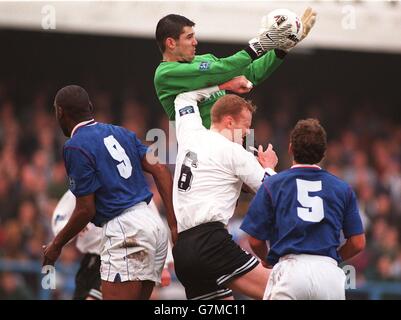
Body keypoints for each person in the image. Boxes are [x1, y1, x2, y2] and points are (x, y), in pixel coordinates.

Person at [43, 85, 177, 300]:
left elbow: (86, 209)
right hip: (154, 227)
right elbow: (161, 170)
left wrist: (55, 246)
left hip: (124, 231)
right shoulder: (122, 133)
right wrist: (172, 224)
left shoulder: (75, 146)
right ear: (90, 107)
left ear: (60, 112)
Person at [171, 76, 278, 300]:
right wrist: (269, 167)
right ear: (229, 122)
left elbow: (184, 97)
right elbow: (273, 191)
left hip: (183, 250)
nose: (248, 133)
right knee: (284, 293)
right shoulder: (233, 151)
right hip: (211, 242)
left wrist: (225, 86)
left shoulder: (189, 133)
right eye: (246, 126)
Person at [240, 118, 366, 300]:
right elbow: (358, 243)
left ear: (290, 148)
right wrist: (333, 258)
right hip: (328, 275)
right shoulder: (342, 188)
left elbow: (255, 240)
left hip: (290, 270)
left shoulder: (273, 185)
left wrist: (267, 258)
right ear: (324, 153)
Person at [154, 9, 317, 128]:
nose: (195, 42)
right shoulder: (165, 75)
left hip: (228, 144)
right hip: (201, 153)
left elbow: (250, 74)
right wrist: (261, 44)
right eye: (189, 37)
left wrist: (282, 49)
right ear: (171, 43)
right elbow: (220, 70)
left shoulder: (204, 59)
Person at [51, 190, 103, 300]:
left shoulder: (119, 184)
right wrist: (75, 225)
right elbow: (58, 221)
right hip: (89, 260)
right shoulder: (79, 187)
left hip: (113, 256)